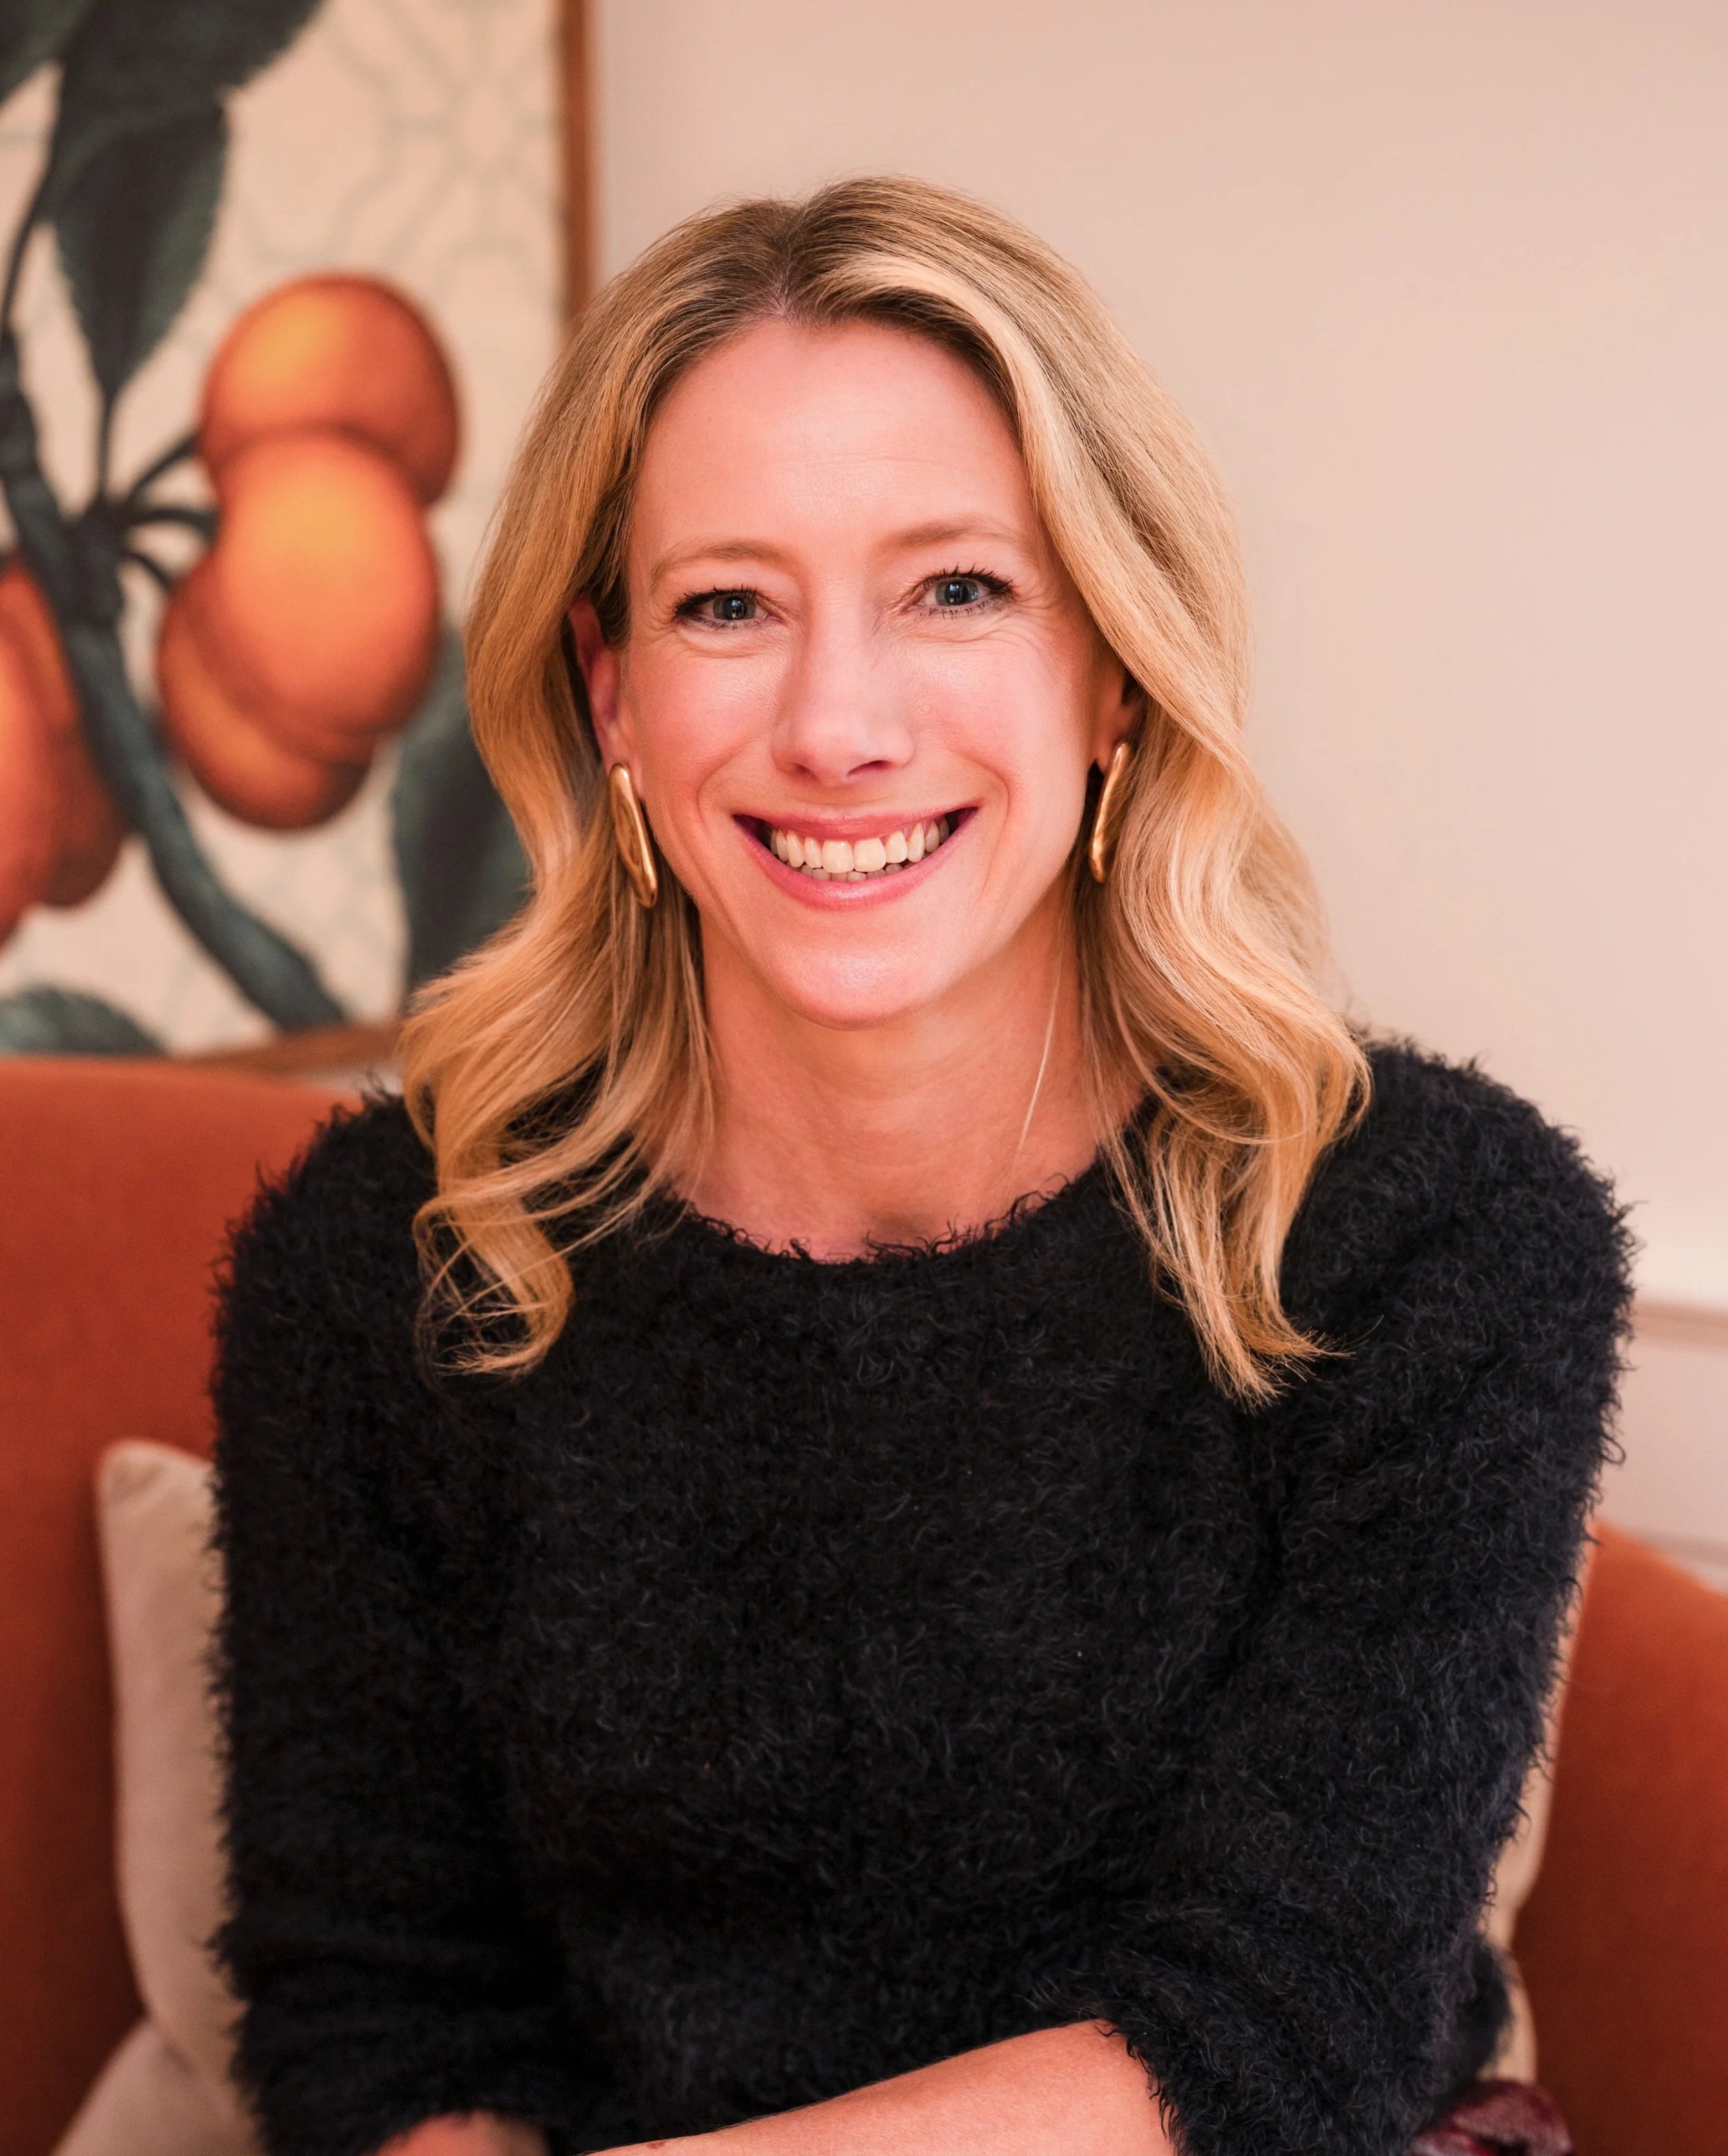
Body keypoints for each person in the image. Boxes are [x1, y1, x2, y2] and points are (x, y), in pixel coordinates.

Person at [212, 178, 1628, 2156]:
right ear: (613, 693)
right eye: (728, 605)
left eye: (956, 589)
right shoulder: (393, 1258)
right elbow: (384, 2018)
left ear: (1112, 665)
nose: (837, 726)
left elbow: (1277, 2041)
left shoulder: (1434, 1240)